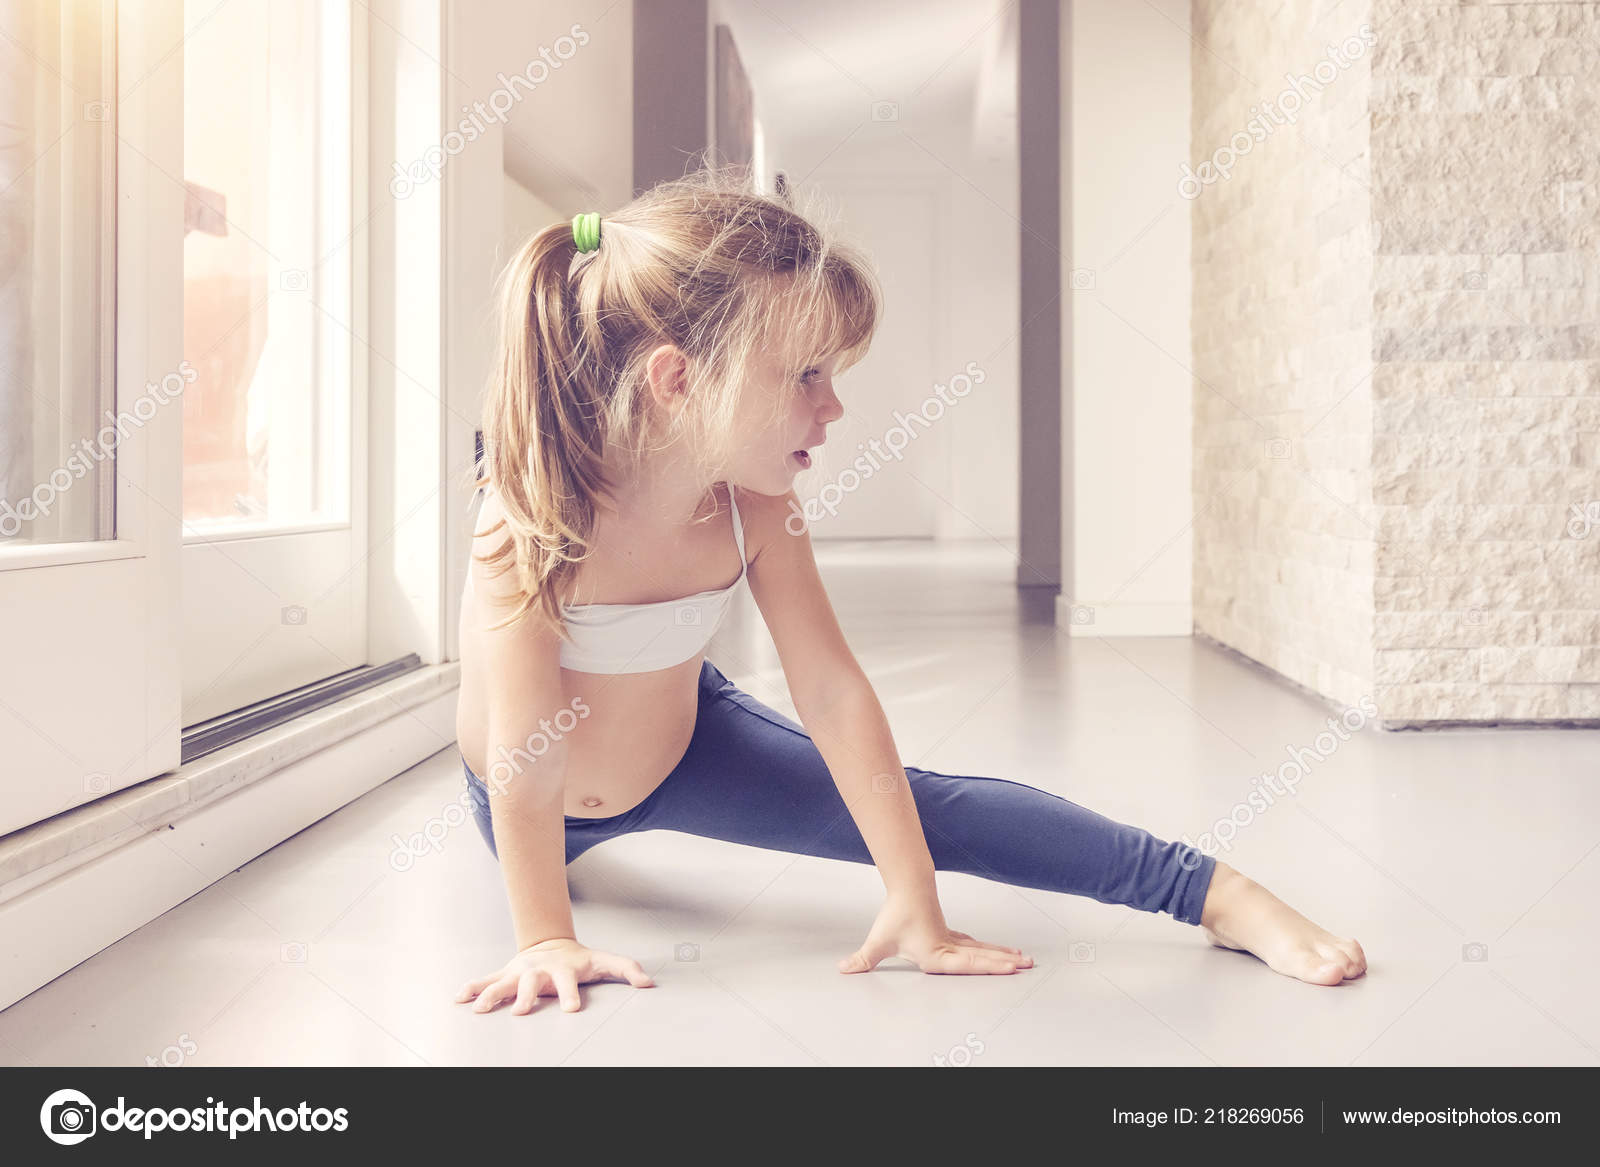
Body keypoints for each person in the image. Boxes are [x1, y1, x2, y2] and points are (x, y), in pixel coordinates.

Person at [452, 166, 1366, 1017]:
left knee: (930, 812)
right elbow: (524, 757)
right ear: (677, 379)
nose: (835, 406)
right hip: (523, 805)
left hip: (690, 754)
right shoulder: (528, 525)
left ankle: (1212, 891)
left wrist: (912, 893)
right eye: (805, 373)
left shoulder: (759, 511)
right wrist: (545, 936)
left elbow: (832, 692)